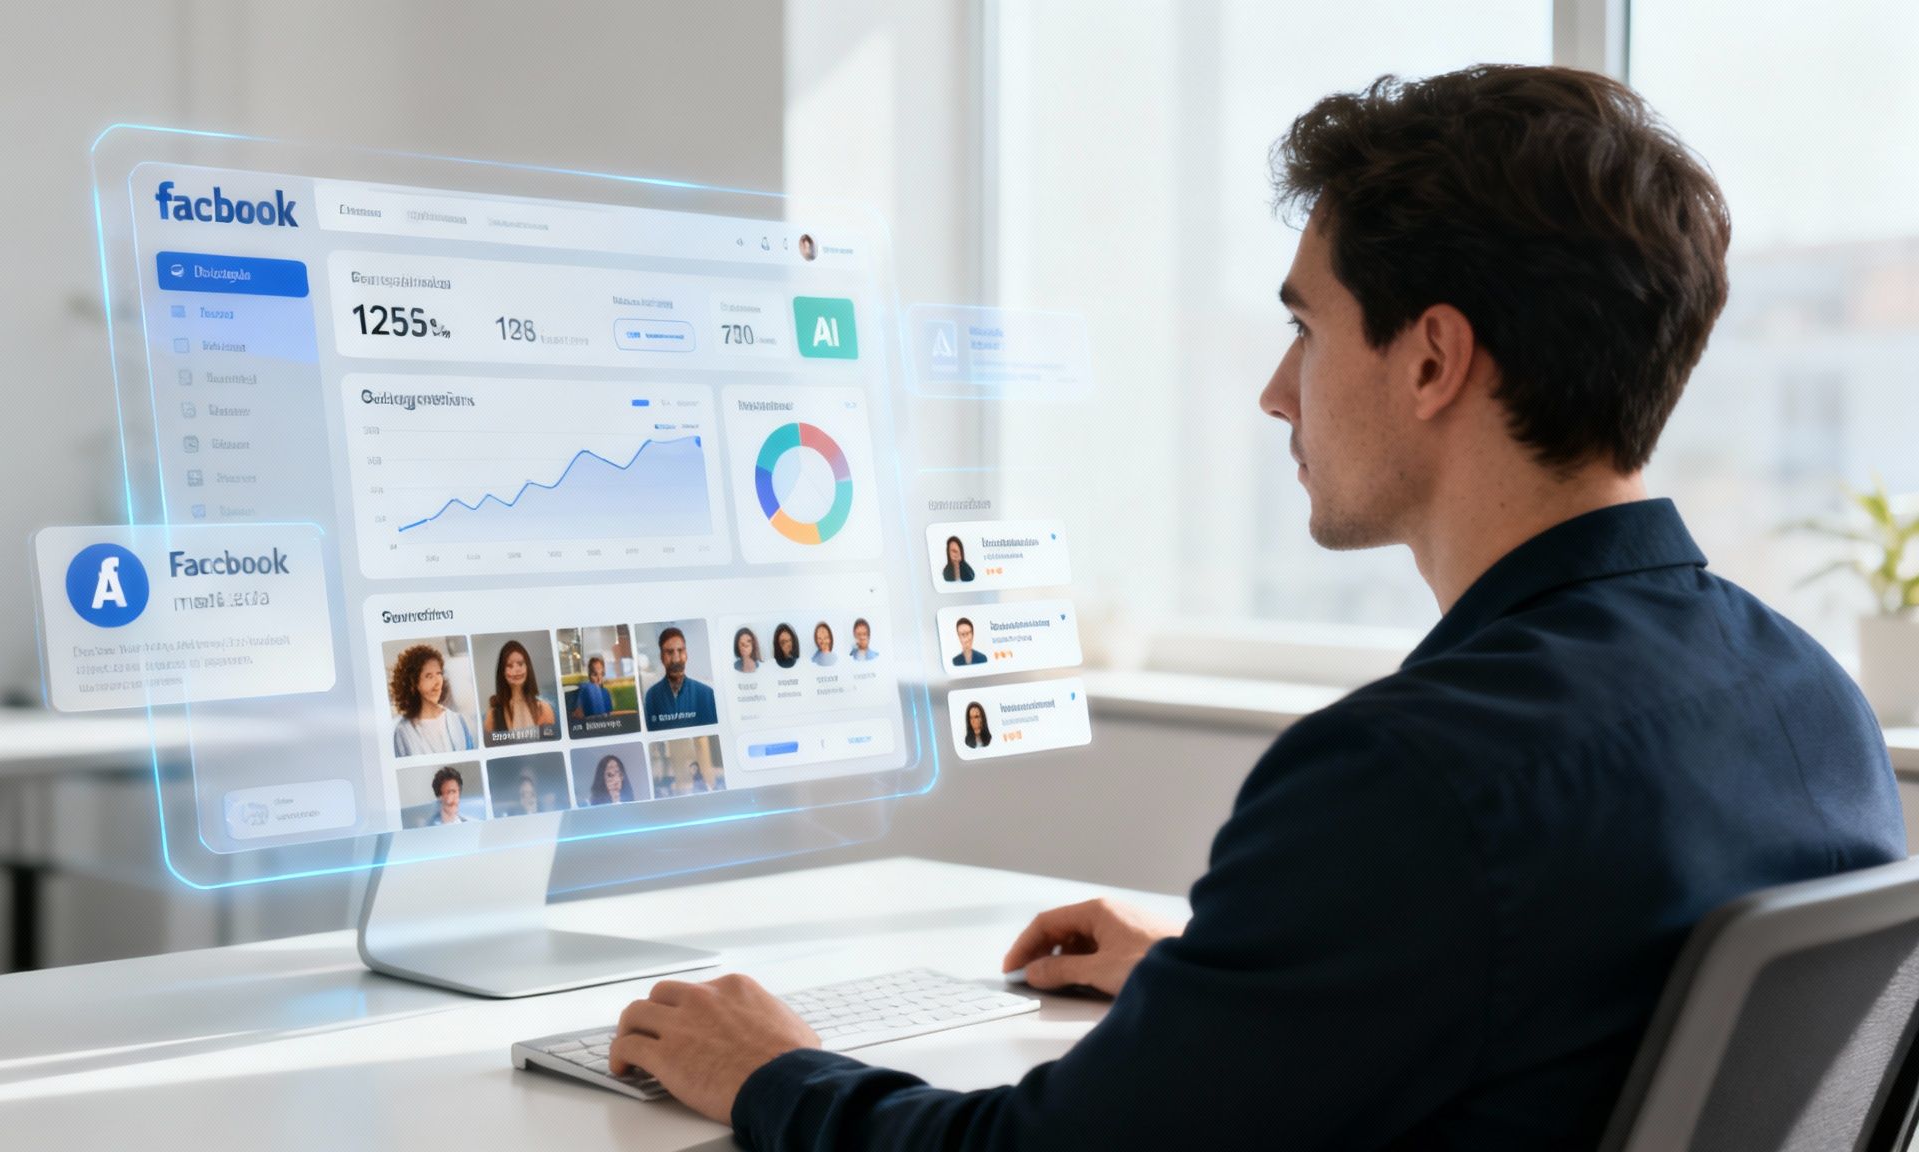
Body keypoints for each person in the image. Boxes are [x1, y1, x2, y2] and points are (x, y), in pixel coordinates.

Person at [604, 66, 1906, 1150]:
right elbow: (1573, 994)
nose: (1278, 391)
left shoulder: (1409, 781)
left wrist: (769, 1070)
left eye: (1306, 328)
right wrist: (1244, 980)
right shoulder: (1806, 699)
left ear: (1433, 360)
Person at [389, 643, 477, 756]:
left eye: (439, 674)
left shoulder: (457, 719)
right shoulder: (402, 732)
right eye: (429, 676)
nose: (437, 682)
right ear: (413, 683)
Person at [643, 626, 718, 730]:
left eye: (680, 650)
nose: (676, 659)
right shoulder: (652, 696)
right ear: (661, 657)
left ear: (686, 654)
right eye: (669, 652)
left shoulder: (706, 694)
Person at [485, 640, 556, 742]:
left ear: (527, 667)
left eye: (520, 664)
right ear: (502, 672)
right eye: (510, 665)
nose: (516, 669)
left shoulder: (544, 709)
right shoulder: (493, 714)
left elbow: (550, 745)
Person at [571, 655, 615, 724]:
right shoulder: (584, 690)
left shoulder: (605, 693)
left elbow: (610, 715)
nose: (599, 679)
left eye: (601, 674)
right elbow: (577, 715)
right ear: (589, 675)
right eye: (595, 674)